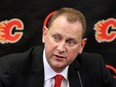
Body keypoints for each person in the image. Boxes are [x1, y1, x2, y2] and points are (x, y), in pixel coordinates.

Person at [0, 7, 115, 87]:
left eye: (70, 42)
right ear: (44, 34)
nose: (61, 48)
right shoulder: (10, 68)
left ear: (81, 46)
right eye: (56, 38)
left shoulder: (95, 66)